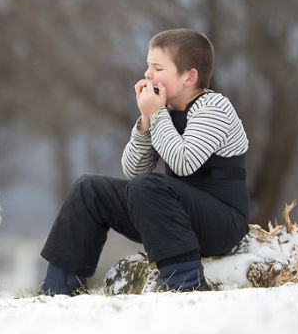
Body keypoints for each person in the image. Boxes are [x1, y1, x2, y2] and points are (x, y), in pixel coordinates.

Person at [39, 28, 249, 293]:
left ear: (189, 77)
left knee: (147, 186)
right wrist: (146, 121)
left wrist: (157, 113)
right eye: (148, 66)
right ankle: (57, 289)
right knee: (89, 189)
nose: (148, 74)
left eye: (158, 68)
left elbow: (184, 163)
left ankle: (186, 285)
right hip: (171, 216)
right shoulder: (165, 110)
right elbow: (134, 171)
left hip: (220, 224)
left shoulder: (214, 108)